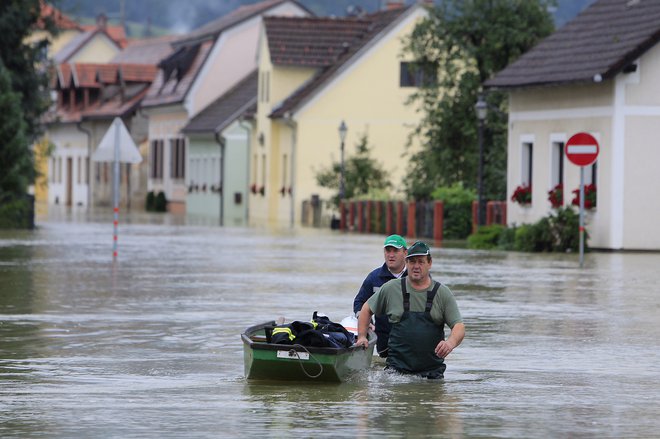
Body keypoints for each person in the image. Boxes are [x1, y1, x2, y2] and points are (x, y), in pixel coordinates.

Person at [355, 240, 464, 379]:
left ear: (429, 263)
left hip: (431, 375)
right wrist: (362, 336)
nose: (416, 266)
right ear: (406, 263)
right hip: (396, 373)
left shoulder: (442, 293)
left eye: (421, 261)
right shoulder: (390, 288)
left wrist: (450, 343)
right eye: (412, 262)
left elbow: (459, 326)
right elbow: (366, 309)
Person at [353, 234, 408, 357]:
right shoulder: (374, 277)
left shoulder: (415, 277)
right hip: (384, 343)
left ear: (405, 253)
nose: (391, 255)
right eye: (388, 250)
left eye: (395, 250)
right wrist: (367, 322)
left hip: (409, 341)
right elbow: (359, 303)